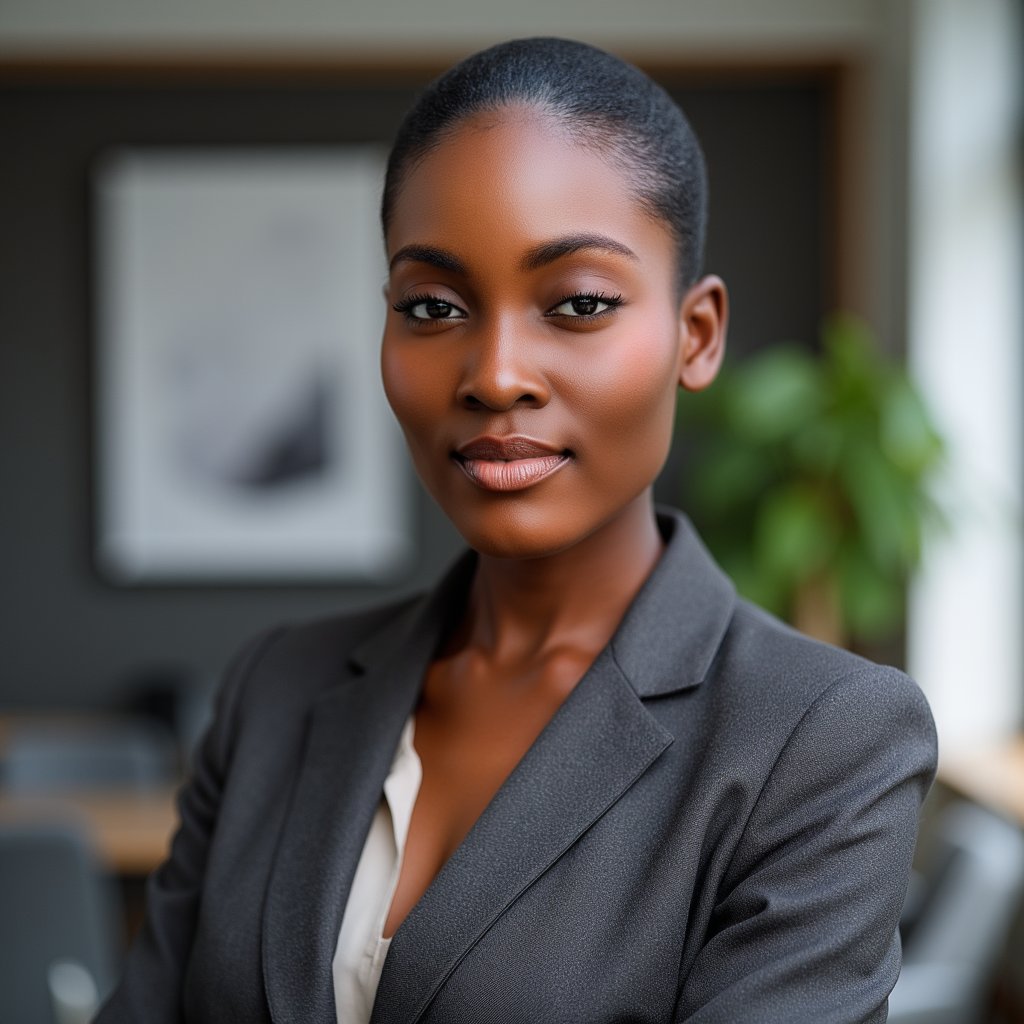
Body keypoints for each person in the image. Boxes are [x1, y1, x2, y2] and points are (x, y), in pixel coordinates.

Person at [97, 37, 937, 1024]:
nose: (494, 373)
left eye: (578, 302)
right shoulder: (275, 687)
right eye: (432, 305)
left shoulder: (822, 736)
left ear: (695, 336)